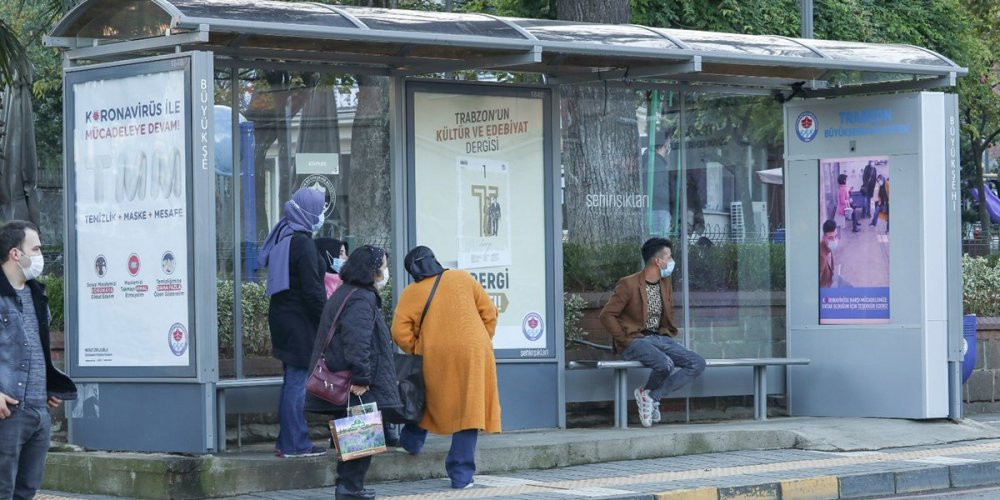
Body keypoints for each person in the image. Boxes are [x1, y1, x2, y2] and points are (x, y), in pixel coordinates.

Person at [391, 246, 500, 489]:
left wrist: (417, 348)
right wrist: (480, 339)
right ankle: (461, 476)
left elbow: (399, 331)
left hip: (434, 354)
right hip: (474, 351)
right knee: (468, 410)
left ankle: (410, 442)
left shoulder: (412, 292)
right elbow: (489, 313)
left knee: (427, 396)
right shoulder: (462, 277)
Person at [306, 246, 400, 500]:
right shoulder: (362, 297)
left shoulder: (348, 291)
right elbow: (357, 340)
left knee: (356, 435)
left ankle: (350, 486)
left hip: (345, 374)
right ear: (371, 270)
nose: (385, 271)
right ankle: (350, 487)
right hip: (353, 380)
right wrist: (362, 377)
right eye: (383, 266)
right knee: (361, 434)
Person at [0, 220, 76, 499]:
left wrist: (48, 386)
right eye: (36, 248)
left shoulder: (37, 295)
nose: (41, 255)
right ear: (15, 254)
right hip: (7, 414)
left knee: (27, 492)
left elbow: (36, 349)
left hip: (38, 413)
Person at [598, 238, 706, 428]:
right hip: (635, 339)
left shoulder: (664, 282)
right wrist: (624, 339)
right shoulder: (628, 284)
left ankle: (651, 397)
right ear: (658, 261)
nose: (671, 261)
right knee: (665, 364)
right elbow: (607, 315)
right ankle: (650, 397)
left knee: (697, 363)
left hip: (659, 338)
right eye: (669, 256)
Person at [257, 187, 328, 458]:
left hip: (284, 318)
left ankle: (286, 441)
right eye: (319, 209)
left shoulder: (285, 235)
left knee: (292, 380)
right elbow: (312, 290)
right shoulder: (303, 243)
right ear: (308, 211)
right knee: (297, 382)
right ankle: (296, 444)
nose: (322, 214)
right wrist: (327, 321)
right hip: (298, 321)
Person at [820, 219, 837, 289]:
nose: (834, 241)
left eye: (836, 236)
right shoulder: (821, 257)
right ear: (824, 238)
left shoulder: (829, 247)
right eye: (830, 238)